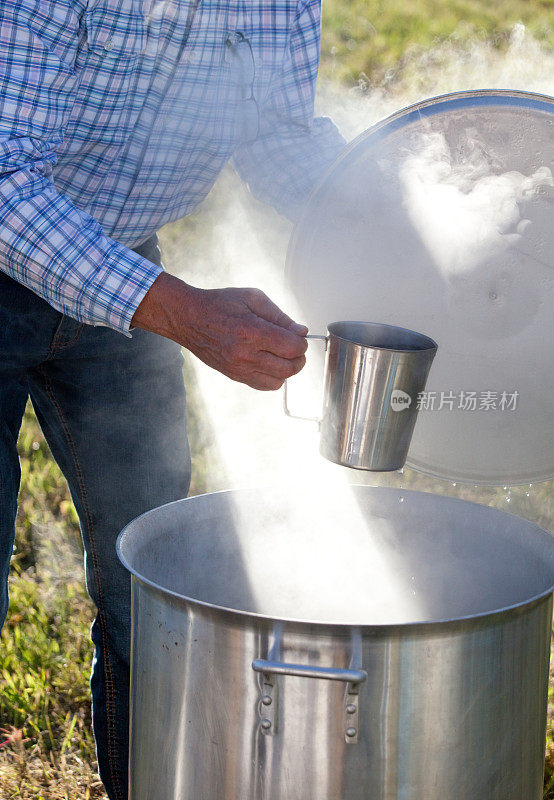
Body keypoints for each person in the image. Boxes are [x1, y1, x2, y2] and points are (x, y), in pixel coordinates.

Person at [0, 0, 345, 797]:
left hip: (123, 264)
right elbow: (5, 177)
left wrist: (413, 221)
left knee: (153, 584)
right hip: (66, 257)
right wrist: (185, 312)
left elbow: (279, 135)